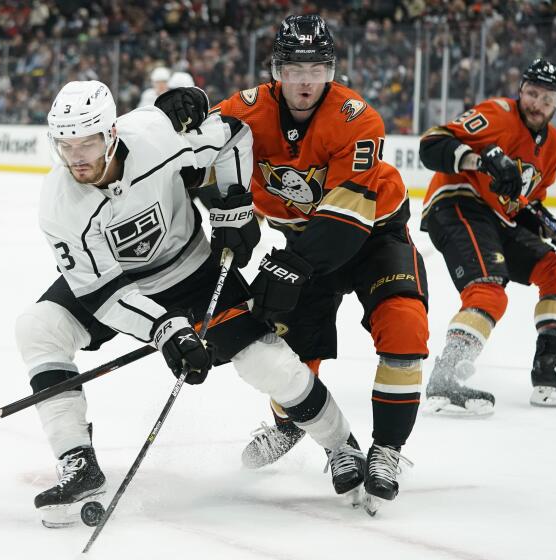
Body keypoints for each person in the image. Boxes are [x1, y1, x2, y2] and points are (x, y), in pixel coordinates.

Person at [15, 80, 364, 528]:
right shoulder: (59, 204)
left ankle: (342, 445)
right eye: (65, 145)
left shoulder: (156, 138)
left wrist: (234, 206)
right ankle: (79, 464)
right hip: (121, 286)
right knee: (38, 327)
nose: (77, 157)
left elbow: (233, 135)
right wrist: (167, 332)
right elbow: (106, 295)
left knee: (268, 364)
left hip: (192, 272)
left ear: (112, 134)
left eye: (87, 142)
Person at [156, 15, 429, 513]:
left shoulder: (357, 118)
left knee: (405, 328)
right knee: (291, 357)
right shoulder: (248, 108)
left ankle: (386, 449)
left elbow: (347, 216)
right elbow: (186, 147)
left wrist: (288, 269)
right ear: (276, 69)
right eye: (294, 67)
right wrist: (173, 113)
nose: (305, 80)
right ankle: (291, 425)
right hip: (305, 241)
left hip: (372, 236)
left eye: (317, 67)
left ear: (331, 70)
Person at [419, 58, 556, 414]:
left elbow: (526, 207)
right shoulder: (497, 114)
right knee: (489, 289)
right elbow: (432, 145)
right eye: (532, 93)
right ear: (520, 91)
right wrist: (482, 161)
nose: (536, 103)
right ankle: (444, 378)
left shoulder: (553, 147)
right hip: (457, 202)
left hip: (499, 218)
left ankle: (548, 371)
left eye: (547, 97)